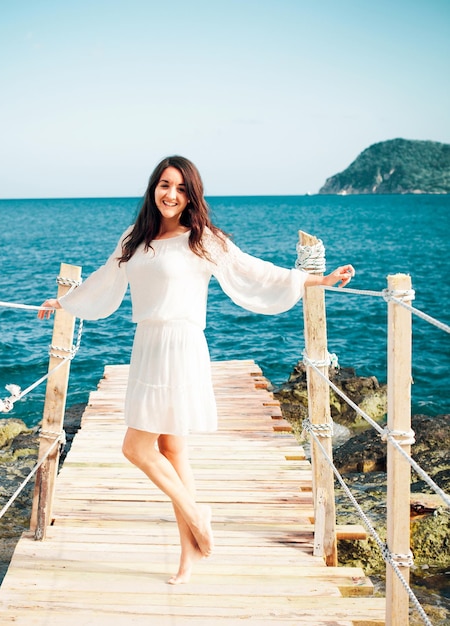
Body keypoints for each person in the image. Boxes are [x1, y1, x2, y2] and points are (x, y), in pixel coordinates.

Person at [38, 155, 354, 585]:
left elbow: (252, 272)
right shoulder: (134, 238)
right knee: (170, 450)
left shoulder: (203, 239)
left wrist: (313, 279)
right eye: (165, 185)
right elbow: (104, 281)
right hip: (146, 344)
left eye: (182, 189)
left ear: (192, 195)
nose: (171, 195)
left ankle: (195, 512)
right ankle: (189, 554)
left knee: (135, 448)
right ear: (154, 188)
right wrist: (66, 303)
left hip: (182, 344)